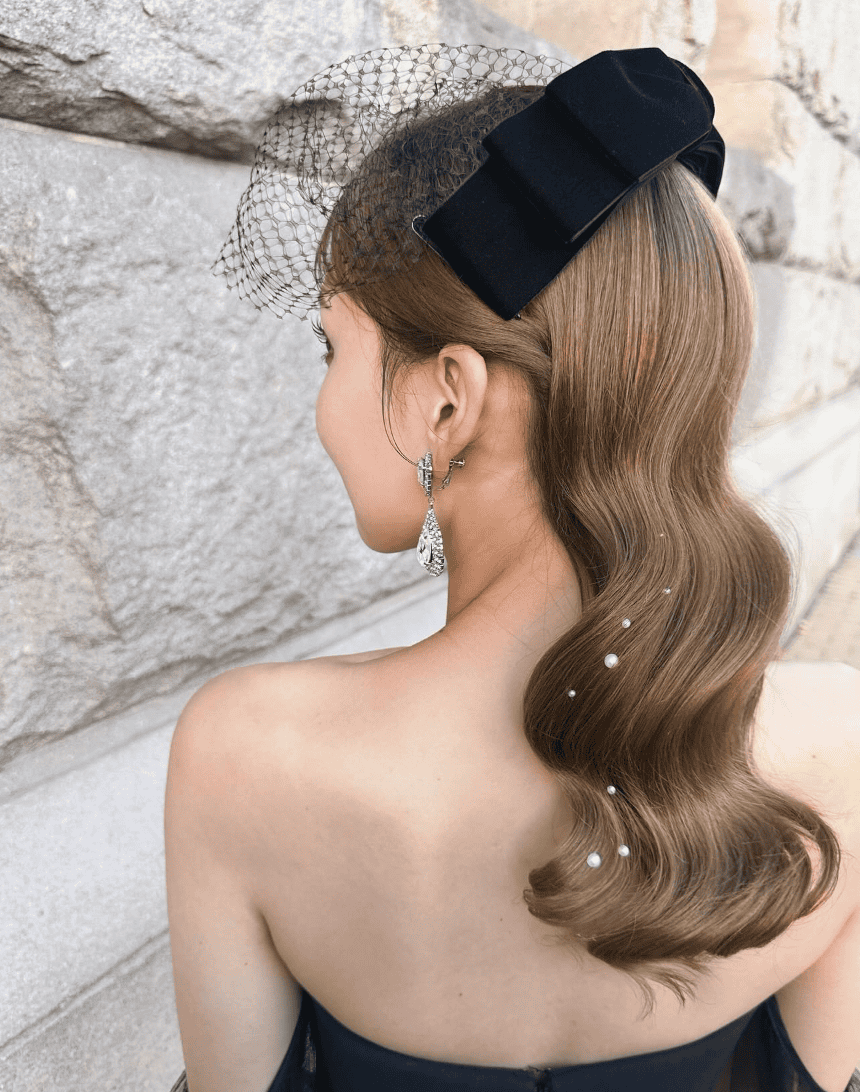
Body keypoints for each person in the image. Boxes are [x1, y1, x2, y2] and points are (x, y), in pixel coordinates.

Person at [164, 45, 860, 1092]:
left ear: (448, 396)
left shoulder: (245, 752)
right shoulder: (839, 746)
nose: (322, 404)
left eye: (332, 350)